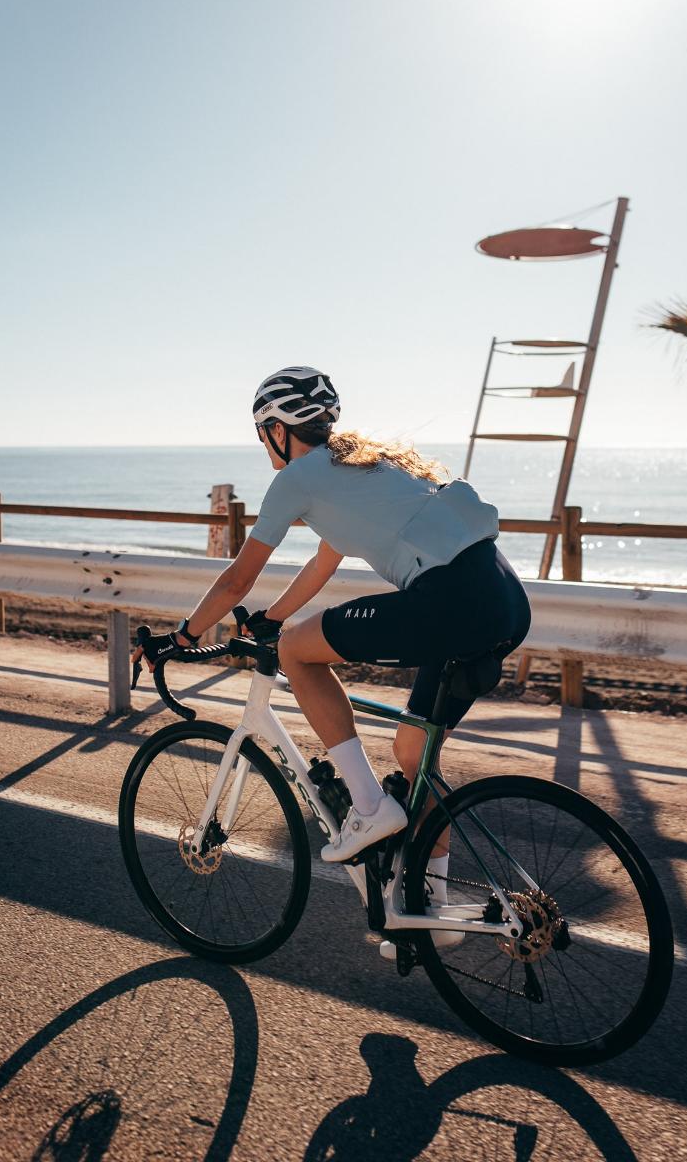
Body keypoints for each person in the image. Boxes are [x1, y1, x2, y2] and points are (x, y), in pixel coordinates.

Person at [133, 367, 531, 950]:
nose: (263, 444)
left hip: (448, 601)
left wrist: (183, 636)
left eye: (261, 432)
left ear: (276, 429)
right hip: (502, 600)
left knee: (298, 651)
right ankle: (432, 911)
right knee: (414, 754)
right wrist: (270, 616)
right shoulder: (362, 466)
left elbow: (238, 578)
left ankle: (368, 808)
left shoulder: (298, 477)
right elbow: (325, 562)